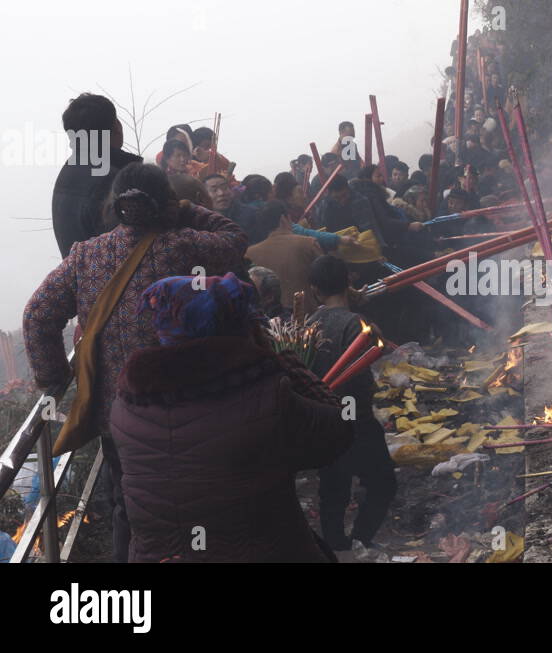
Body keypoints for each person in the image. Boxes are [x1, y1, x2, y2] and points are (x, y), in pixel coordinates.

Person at [23, 162, 248, 562]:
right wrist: (187, 208)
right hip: (188, 408)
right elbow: (235, 238)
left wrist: (55, 378)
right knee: (198, 503)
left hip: (120, 417)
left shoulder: (86, 254)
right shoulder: (185, 245)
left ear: (115, 204)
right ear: (166, 201)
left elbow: (38, 315)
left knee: (129, 506)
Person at [110, 273, 352, 562]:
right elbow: (338, 432)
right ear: (241, 326)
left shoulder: (126, 404)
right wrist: (286, 363)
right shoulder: (266, 394)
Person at [307, 256, 396, 552]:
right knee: (382, 481)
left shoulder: (309, 323)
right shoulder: (355, 324)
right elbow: (360, 371)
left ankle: (336, 545)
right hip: (355, 417)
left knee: (333, 486)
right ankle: (360, 537)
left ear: (314, 290)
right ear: (348, 281)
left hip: (323, 418)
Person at [52, 93, 143, 258]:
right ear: (117, 127)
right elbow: (133, 245)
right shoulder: (112, 179)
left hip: (79, 279)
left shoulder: (68, 171)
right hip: (115, 281)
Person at [246, 201, 323, 312]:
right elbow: (326, 282)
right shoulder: (308, 244)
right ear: (284, 218)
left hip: (271, 323)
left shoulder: (250, 253)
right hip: (309, 319)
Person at [205, 174, 263, 244]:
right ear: (205, 195)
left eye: (225, 188)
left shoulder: (251, 214)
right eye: (214, 190)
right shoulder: (201, 219)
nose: (221, 193)